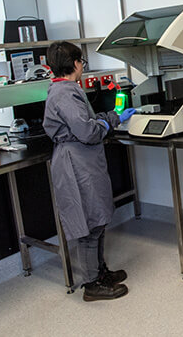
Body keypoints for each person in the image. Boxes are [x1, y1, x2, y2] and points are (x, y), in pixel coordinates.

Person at [42, 41, 136, 302]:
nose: (83, 66)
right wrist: (107, 121)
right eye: (82, 61)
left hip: (83, 160)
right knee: (88, 224)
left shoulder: (67, 89)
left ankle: (100, 271)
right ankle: (91, 284)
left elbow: (85, 124)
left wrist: (113, 117)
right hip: (75, 163)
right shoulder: (65, 93)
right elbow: (87, 131)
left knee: (97, 219)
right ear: (75, 64)